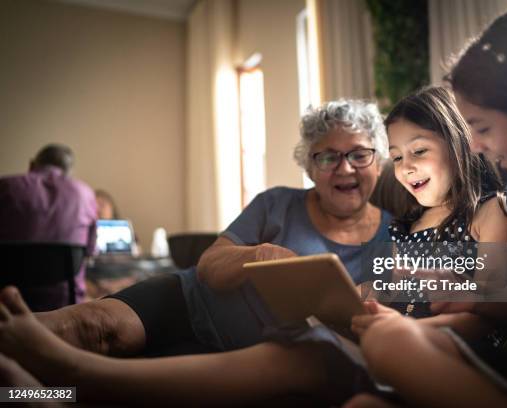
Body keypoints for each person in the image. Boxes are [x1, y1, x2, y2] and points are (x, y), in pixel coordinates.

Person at [0, 99, 396, 405]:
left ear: (377, 161)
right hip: (191, 299)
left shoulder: (396, 238)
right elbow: (209, 266)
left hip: (266, 347)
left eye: (359, 154)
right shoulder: (275, 203)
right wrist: (256, 255)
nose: (344, 168)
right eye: (328, 156)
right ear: (310, 167)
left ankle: (32, 396)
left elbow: (383, 324)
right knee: (93, 326)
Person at [346, 8, 507, 407]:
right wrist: (465, 295)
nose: (474, 147)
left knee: (390, 344)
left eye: (483, 128)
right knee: (375, 372)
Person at [0, 144, 97, 310]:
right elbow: (90, 252)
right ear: (68, 172)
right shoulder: (84, 193)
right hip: (65, 307)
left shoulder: (5, 187)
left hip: (8, 304)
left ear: (32, 165)